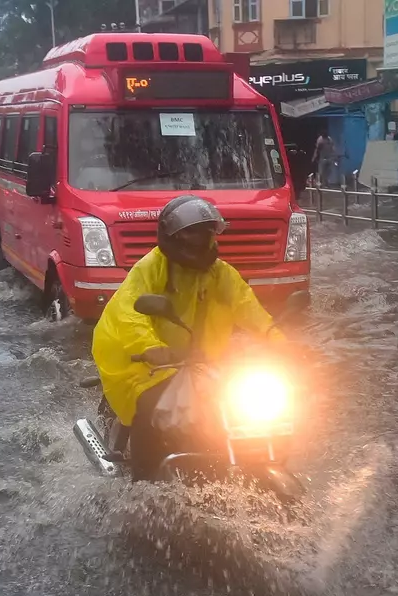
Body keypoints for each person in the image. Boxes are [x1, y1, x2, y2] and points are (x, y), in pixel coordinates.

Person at [91, 195, 286, 480]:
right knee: (150, 406)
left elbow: (247, 306)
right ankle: (144, 483)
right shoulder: (150, 267)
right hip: (139, 358)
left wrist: (277, 339)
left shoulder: (221, 273)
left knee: (236, 404)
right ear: (173, 236)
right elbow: (129, 312)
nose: (199, 239)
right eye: (191, 232)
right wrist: (150, 346)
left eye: (206, 232)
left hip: (195, 360)